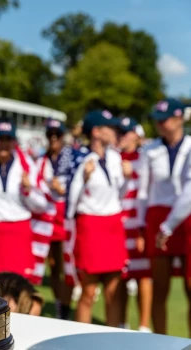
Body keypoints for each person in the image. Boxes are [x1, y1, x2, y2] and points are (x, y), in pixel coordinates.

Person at [66, 110, 132, 327]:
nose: (115, 132)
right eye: (110, 128)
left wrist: (127, 179)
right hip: (91, 225)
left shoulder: (115, 157)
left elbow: (119, 194)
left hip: (113, 224)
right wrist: (83, 178)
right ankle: (83, 341)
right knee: (89, 291)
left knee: (114, 290)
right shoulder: (78, 157)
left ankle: (111, 339)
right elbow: (70, 203)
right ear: (96, 131)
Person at [136, 98, 191, 335]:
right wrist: (141, 227)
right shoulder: (149, 150)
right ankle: (161, 343)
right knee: (160, 288)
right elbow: (142, 192)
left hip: (187, 218)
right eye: (157, 120)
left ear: (179, 119)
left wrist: (168, 225)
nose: (159, 124)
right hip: (157, 218)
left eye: (165, 119)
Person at [0, 118, 48, 280]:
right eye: (0, 139)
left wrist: (28, 190)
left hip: (18, 233)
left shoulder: (27, 166)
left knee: (18, 291)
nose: (4, 144)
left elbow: (41, 205)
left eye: (8, 139)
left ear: (14, 141)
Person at [115, 117, 152, 332]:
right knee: (120, 275)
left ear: (136, 136)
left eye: (126, 132)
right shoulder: (113, 158)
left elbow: (149, 191)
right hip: (118, 225)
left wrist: (134, 173)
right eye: (120, 132)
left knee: (143, 276)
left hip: (138, 224)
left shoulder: (144, 158)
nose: (122, 136)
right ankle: (121, 324)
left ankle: (144, 326)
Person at [37, 118, 74, 320]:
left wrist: (63, 190)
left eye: (57, 134)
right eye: (50, 135)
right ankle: (60, 305)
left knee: (65, 264)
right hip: (48, 216)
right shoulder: (42, 159)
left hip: (65, 215)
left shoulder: (71, 157)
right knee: (53, 265)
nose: (53, 138)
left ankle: (66, 306)